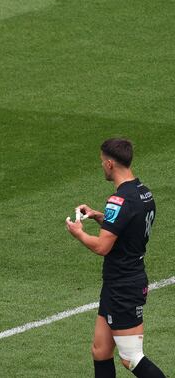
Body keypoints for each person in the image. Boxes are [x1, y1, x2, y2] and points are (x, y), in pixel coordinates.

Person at [66, 138, 165, 377]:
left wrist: (78, 233)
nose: (102, 166)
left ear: (110, 164)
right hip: (121, 282)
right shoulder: (143, 193)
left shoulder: (119, 199)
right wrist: (100, 217)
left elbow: (102, 246)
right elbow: (128, 227)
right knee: (100, 351)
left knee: (131, 358)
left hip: (123, 285)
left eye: (102, 162)